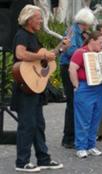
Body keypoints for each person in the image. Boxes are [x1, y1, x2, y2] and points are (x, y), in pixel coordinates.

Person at [12, 4, 65, 172]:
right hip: (24, 88)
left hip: (34, 87)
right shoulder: (22, 35)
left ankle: (43, 159)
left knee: (38, 125)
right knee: (27, 126)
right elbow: (20, 54)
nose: (41, 21)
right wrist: (42, 55)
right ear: (29, 20)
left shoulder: (33, 37)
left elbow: (42, 61)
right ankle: (22, 162)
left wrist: (60, 49)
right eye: (38, 18)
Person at [60, 8, 95, 149]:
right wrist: (86, 49)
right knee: (72, 102)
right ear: (85, 22)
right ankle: (68, 138)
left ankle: (76, 136)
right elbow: (70, 51)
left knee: (77, 103)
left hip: (76, 68)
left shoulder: (81, 33)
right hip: (69, 68)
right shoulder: (72, 32)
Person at [69, 31, 102, 158]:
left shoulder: (100, 54)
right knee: (83, 119)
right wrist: (76, 85)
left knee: (95, 118)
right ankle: (80, 146)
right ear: (92, 40)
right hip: (85, 87)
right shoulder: (80, 52)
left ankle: (91, 145)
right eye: (100, 42)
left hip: (100, 87)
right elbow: (72, 68)